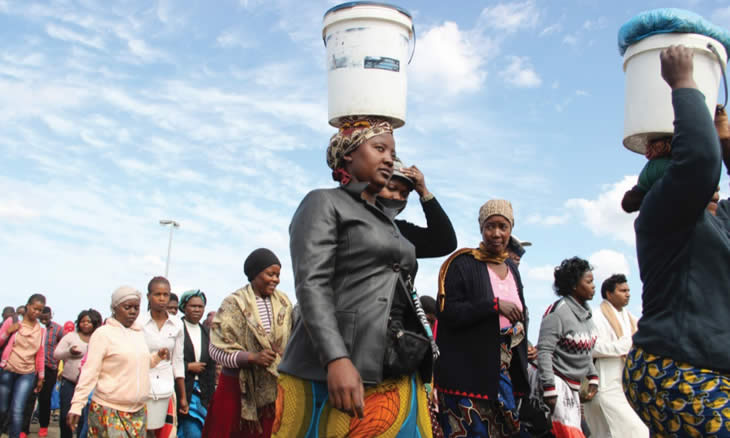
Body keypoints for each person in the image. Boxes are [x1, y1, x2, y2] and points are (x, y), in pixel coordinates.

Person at [273, 117, 434, 438]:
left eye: (393, 151)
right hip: (338, 369)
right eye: (379, 148)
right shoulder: (324, 202)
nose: (389, 158)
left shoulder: (387, 220)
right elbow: (312, 284)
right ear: (348, 154)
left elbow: (441, 243)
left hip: (394, 365)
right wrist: (336, 358)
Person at [622, 45, 730, 437]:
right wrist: (684, 85)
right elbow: (699, 163)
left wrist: (725, 144)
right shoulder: (664, 215)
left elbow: (705, 163)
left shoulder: (717, 223)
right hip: (675, 366)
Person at [434, 200, 529, 437]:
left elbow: (520, 315)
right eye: (490, 226)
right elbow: (448, 313)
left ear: (510, 229)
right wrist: (493, 306)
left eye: (502, 226)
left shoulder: (511, 267)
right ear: (481, 227)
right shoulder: (462, 264)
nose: (496, 233)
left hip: (501, 373)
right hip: (467, 376)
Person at [203, 248, 292, 438]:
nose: (275, 279)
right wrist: (251, 357)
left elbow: (291, 339)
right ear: (255, 274)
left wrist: (283, 353)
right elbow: (216, 349)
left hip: (271, 390)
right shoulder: (234, 303)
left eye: (278, 275)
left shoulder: (284, 303)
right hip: (236, 388)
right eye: (270, 274)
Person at [67, 286, 170, 437]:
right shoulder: (103, 334)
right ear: (115, 307)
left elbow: (141, 363)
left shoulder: (139, 333)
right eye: (127, 307)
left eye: (136, 307)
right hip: (109, 410)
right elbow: (90, 372)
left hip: (138, 413)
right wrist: (77, 405)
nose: (133, 312)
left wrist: (157, 357)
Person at [534, 257, 598, 438]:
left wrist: (593, 376)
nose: (594, 286)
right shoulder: (557, 313)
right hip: (558, 383)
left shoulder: (586, 315)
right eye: (589, 281)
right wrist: (549, 388)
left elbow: (586, 350)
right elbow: (544, 351)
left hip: (574, 387)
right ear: (574, 286)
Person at [583, 275, 647, 438]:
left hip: (627, 386)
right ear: (609, 294)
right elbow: (590, 347)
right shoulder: (595, 316)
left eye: (628, 290)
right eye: (622, 290)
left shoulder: (632, 319)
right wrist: (622, 347)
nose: (628, 294)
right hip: (604, 386)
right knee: (634, 432)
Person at [378, 160, 457, 258]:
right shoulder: (354, 220)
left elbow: (445, 243)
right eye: (391, 188)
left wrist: (423, 192)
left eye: (404, 194)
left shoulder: (400, 232)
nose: (397, 197)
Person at [140, 277, 187, 437]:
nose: (162, 299)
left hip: (166, 387)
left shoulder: (177, 325)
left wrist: (182, 397)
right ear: (148, 296)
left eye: (165, 295)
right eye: (157, 294)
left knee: (167, 433)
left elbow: (178, 361)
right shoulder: (138, 323)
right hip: (140, 385)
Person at [0, 294, 46, 438]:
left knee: (17, 410)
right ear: (28, 306)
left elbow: (40, 353)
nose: (37, 312)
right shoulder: (12, 321)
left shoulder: (42, 329)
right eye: (35, 308)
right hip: (8, 369)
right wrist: (8, 332)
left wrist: (41, 377)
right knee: (2, 409)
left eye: (40, 310)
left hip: (27, 374)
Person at [54, 309, 102, 438]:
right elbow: (57, 353)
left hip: (89, 385)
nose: (85, 324)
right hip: (69, 382)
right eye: (83, 321)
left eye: (89, 322)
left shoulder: (99, 339)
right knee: (65, 415)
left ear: (95, 323)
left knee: (83, 418)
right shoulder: (71, 337)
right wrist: (69, 352)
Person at [177, 290, 216, 438]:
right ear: (184, 307)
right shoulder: (176, 329)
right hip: (184, 390)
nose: (197, 310)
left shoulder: (207, 332)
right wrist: (188, 366)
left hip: (203, 393)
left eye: (200, 306)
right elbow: (169, 360)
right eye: (193, 306)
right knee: (189, 430)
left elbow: (211, 365)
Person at [29, 306, 64, 438]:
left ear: (50, 316)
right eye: (41, 317)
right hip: (32, 367)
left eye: (46, 317)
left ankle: (43, 426)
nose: (43, 319)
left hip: (50, 368)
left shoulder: (58, 329)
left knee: (45, 398)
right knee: (29, 398)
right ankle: (24, 428)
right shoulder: (34, 327)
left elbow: (64, 345)